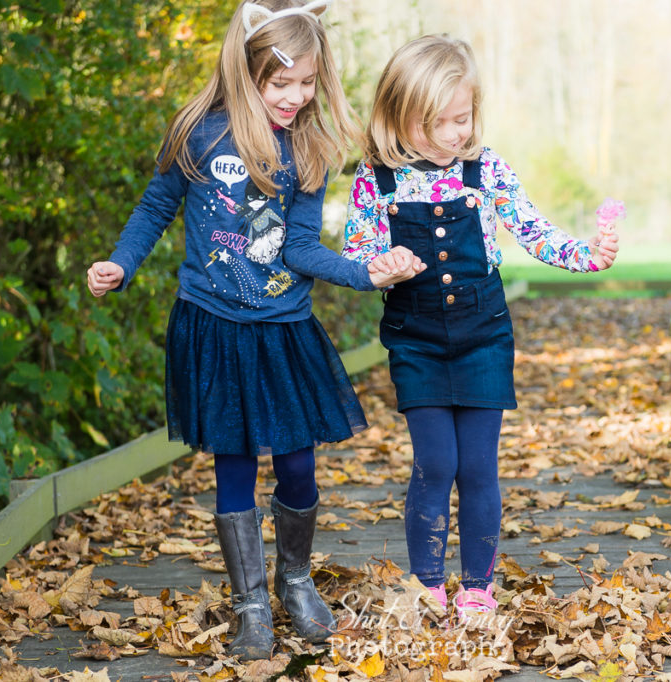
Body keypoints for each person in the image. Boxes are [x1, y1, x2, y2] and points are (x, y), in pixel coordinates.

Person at [86, 0, 423, 660]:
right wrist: (120, 264)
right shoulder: (200, 135)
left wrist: (365, 271)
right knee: (233, 465)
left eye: (306, 83)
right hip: (213, 325)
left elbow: (298, 246)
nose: (295, 97)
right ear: (248, 72)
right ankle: (250, 607)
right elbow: (154, 208)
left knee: (297, 463)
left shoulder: (308, 149)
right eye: (280, 83)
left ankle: (294, 581)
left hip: (281, 327)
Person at [342, 34, 620, 624]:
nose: (452, 135)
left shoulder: (484, 168)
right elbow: (358, 253)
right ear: (396, 116)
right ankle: (426, 585)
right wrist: (381, 267)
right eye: (434, 123)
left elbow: (535, 230)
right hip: (416, 340)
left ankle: (476, 587)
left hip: (483, 335)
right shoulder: (375, 179)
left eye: (461, 120)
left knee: (478, 466)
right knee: (435, 462)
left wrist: (590, 254)